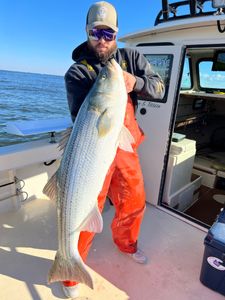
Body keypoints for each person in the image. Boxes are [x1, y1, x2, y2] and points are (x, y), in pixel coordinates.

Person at [63, 1, 165, 298]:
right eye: (96, 32)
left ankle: (127, 244)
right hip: (93, 149)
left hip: (123, 145)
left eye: (109, 33)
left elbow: (158, 88)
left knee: (134, 200)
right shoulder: (77, 73)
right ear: (87, 32)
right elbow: (83, 118)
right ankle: (71, 269)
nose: (102, 39)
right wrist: (111, 83)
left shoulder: (131, 57)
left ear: (117, 33)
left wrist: (136, 82)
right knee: (86, 207)